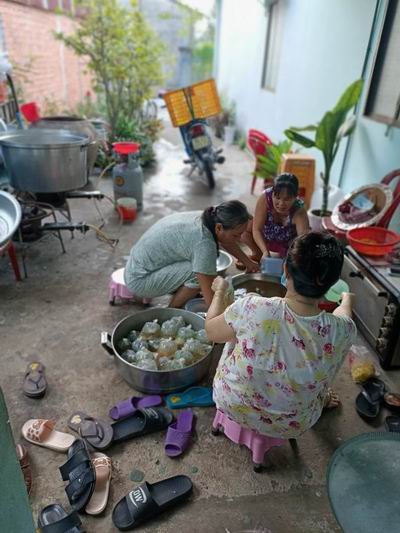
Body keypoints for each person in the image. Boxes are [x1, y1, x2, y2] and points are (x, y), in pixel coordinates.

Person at [205, 231, 357, 439]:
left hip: (231, 401)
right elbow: (344, 315)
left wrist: (219, 292)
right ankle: (323, 398)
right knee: (321, 368)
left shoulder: (252, 307)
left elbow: (211, 332)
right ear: (332, 284)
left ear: (285, 270)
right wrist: (346, 300)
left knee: (234, 334)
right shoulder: (343, 330)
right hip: (292, 424)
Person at [124, 201, 255, 309]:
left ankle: (182, 292)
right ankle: (172, 310)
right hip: (140, 279)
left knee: (201, 268)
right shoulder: (204, 242)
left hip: (136, 265)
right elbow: (212, 301)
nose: (239, 239)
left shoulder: (210, 217)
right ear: (219, 228)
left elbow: (227, 240)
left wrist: (248, 262)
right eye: (236, 235)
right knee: (198, 273)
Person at [253, 173, 310, 259]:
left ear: (295, 197)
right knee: (247, 225)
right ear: (272, 193)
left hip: (287, 244)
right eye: (277, 198)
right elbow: (257, 229)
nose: (281, 204)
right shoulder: (265, 197)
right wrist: (265, 251)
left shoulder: (299, 210)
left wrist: (295, 258)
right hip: (266, 238)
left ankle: (286, 257)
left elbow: (303, 241)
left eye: (287, 199)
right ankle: (257, 253)